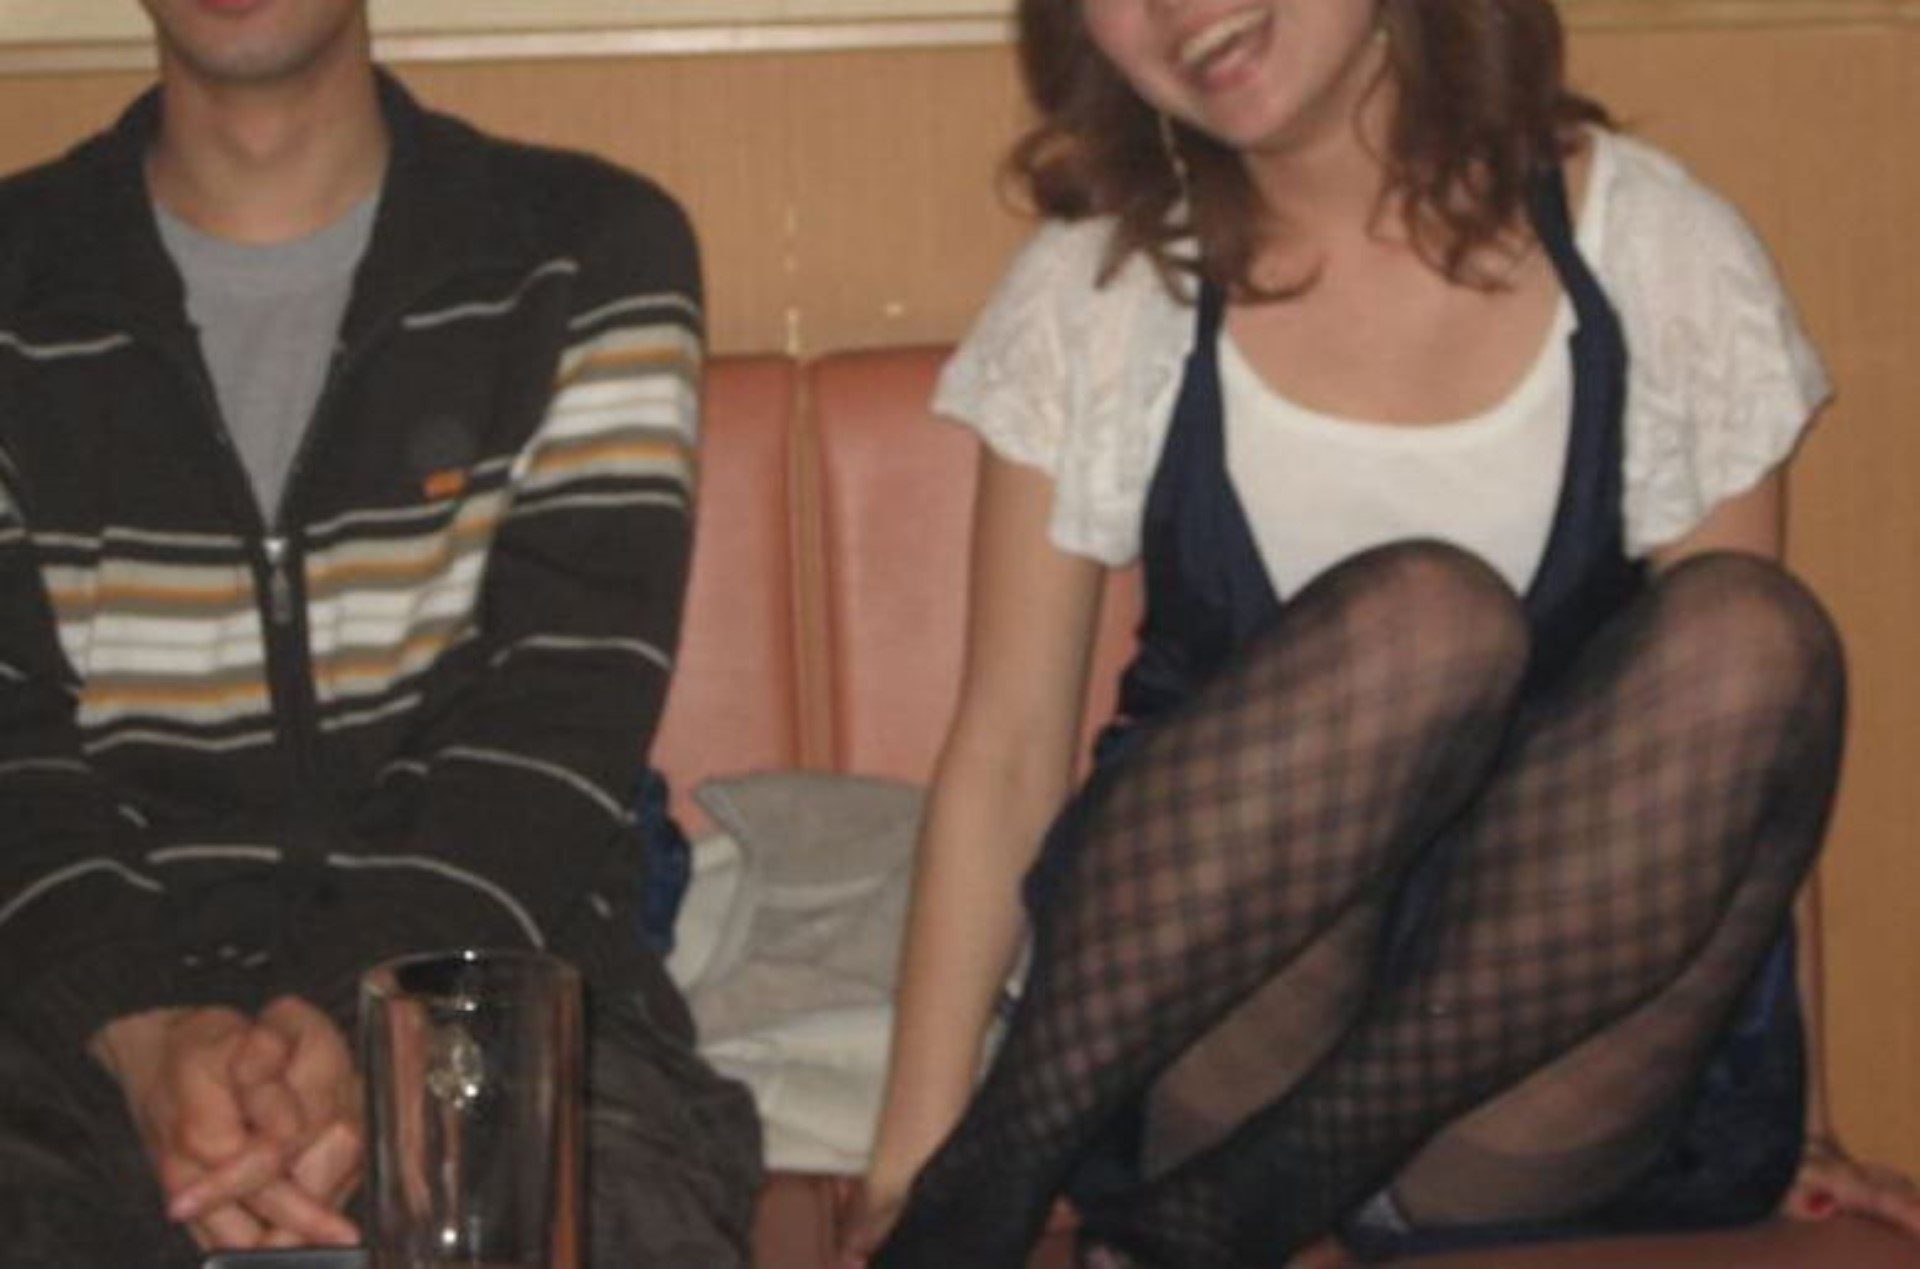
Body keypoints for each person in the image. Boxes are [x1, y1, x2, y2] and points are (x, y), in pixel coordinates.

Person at [845, 1, 1920, 1266]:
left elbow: (1736, 757)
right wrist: (913, 1163)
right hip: (1228, 1019)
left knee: (1751, 632)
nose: (1181, 7)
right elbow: (1010, 748)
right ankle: (1018, 1174)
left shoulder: (1652, 248)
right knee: (1427, 622)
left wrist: (1805, 1121)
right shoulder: (1106, 289)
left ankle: (1278, 1187)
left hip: (1537, 1051)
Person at [0, 1, 759, 1265]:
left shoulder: (585, 252)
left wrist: (360, 1013)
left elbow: (557, 720)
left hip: (492, 975)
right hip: (69, 1005)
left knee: (616, 1220)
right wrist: (138, 1024)